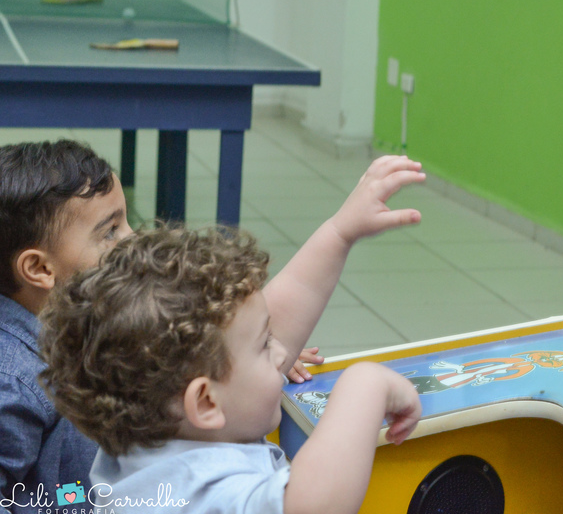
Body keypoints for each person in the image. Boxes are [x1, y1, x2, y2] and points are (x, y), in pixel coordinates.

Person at [41, 155, 426, 514]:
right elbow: (313, 504)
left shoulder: (145, 436)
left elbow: (244, 340)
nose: (282, 355)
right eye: (265, 346)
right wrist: (365, 385)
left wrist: (340, 232)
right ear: (205, 402)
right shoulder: (196, 491)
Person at [0, 141, 131, 514]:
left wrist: (239, 356)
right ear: (40, 269)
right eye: (110, 232)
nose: (131, 241)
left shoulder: (89, 317)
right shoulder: (13, 381)